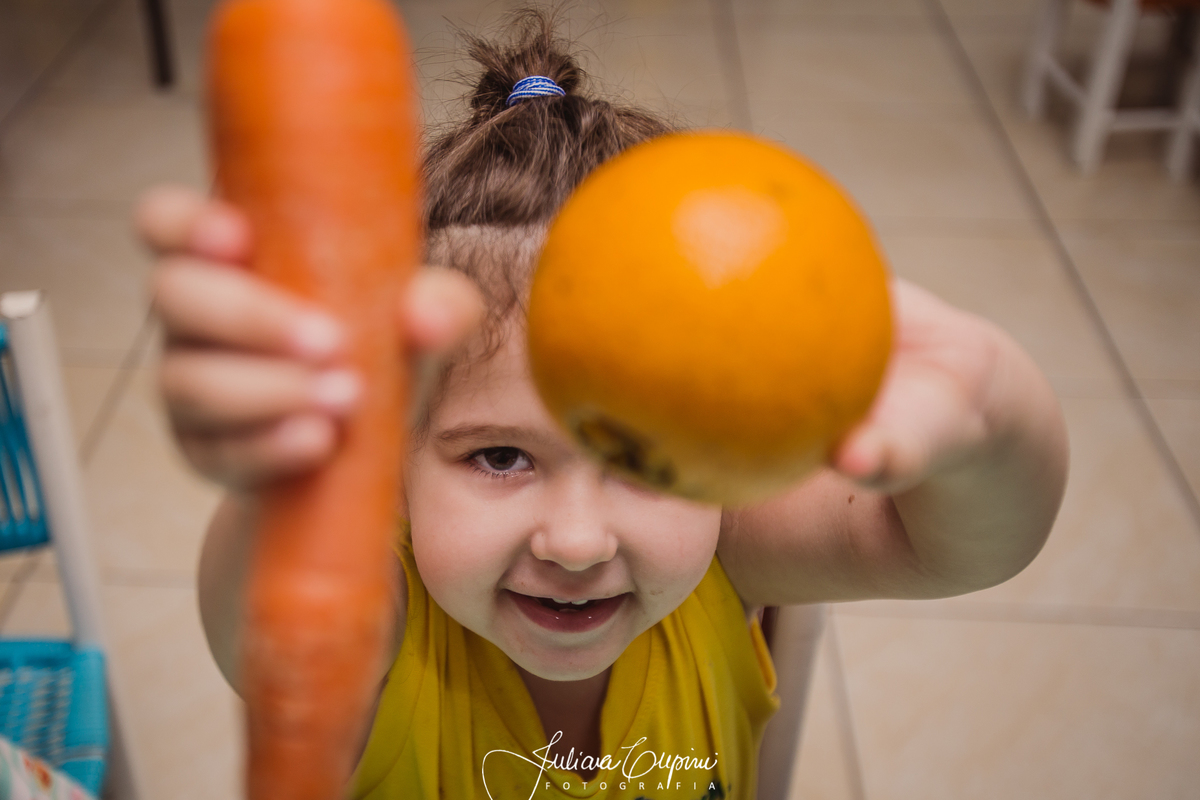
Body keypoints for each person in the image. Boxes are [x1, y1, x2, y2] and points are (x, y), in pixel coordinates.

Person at [135, 10, 1068, 799]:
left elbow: (959, 547)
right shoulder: (387, 626)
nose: (576, 543)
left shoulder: (730, 553)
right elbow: (268, 635)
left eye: (639, 451)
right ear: (396, 467)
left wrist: (986, 405)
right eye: (500, 456)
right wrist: (292, 489)